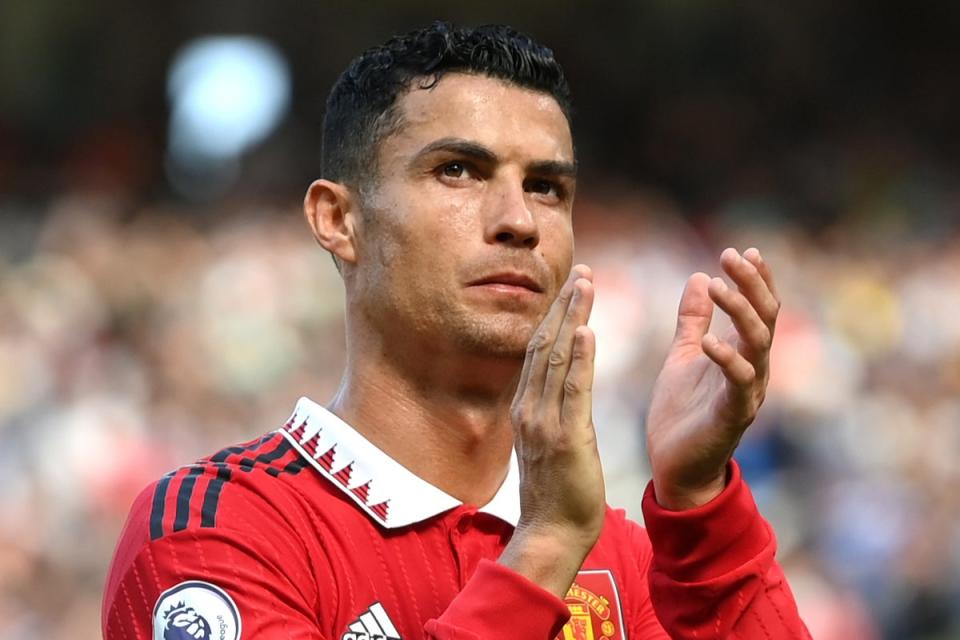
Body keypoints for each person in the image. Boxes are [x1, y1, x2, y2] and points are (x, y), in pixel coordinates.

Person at [102, 22, 810, 639]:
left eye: (546, 187)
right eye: (458, 171)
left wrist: (699, 508)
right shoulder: (215, 532)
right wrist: (542, 552)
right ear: (338, 220)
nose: (519, 220)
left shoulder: (624, 557)